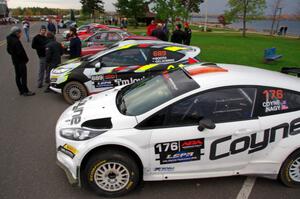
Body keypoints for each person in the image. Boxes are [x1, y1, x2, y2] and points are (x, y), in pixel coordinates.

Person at [6, 26, 35, 96]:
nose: (20, 34)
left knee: (18, 76)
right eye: (19, 33)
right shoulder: (16, 41)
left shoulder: (9, 39)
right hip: (20, 61)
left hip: (15, 61)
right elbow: (20, 52)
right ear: (16, 33)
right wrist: (25, 59)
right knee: (23, 76)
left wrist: (13, 55)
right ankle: (26, 91)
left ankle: (21, 90)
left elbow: (8, 50)